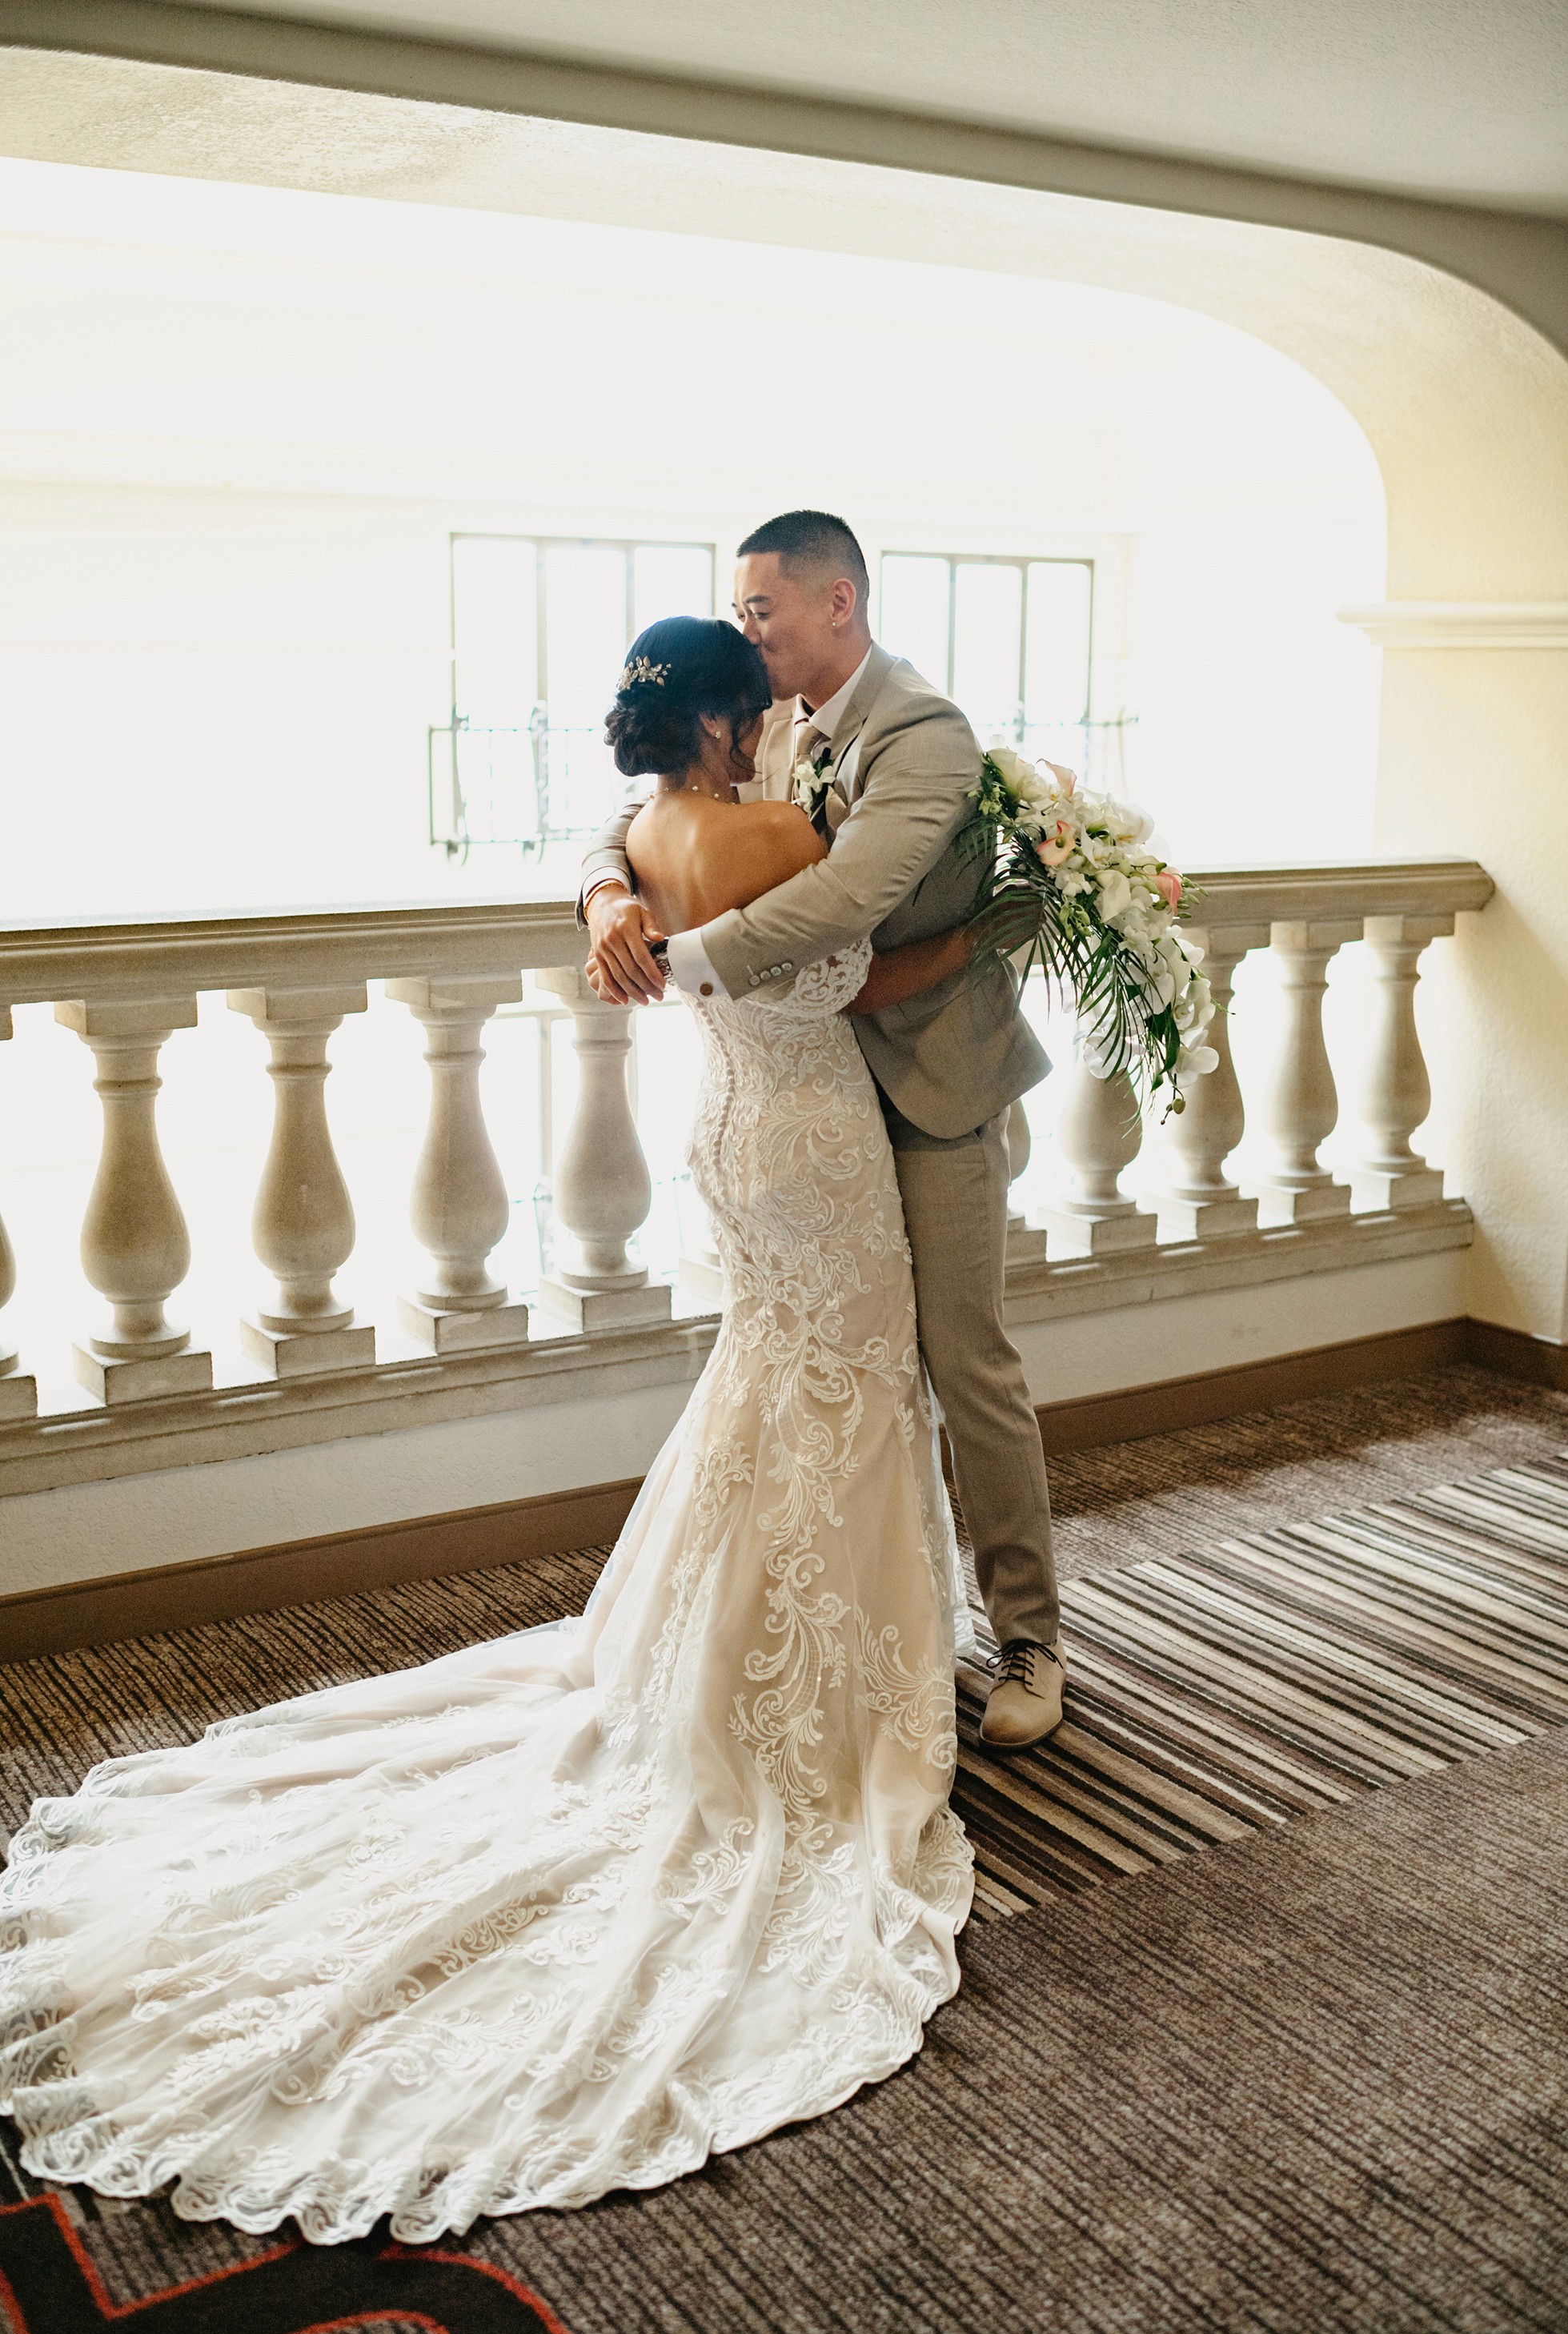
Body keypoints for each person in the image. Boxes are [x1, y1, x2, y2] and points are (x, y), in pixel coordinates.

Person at [0, 616, 977, 2245]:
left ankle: (741, 1658)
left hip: (727, 1134)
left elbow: (680, 922)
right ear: (724, 720)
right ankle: (816, 1705)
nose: (774, 721)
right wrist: (998, 930)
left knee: (772, 1387)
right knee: (849, 1387)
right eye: (756, 705)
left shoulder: (650, 834)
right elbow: (856, 968)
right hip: (811, 1140)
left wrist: (603, 894)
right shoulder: (766, 838)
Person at [583, 509, 1065, 1749]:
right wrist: (604, 899)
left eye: (761, 609)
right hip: (815, 1106)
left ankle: (1030, 1640)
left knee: (963, 1364)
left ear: (836, 602)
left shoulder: (923, 732)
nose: (747, 632)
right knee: (826, 1376)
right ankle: (862, 1632)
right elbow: (637, 817)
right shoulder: (770, 723)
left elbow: (850, 896)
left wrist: (681, 961)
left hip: (933, 1087)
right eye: (741, 614)